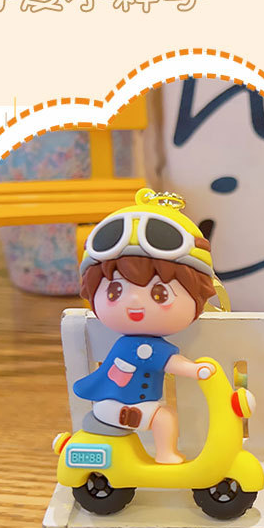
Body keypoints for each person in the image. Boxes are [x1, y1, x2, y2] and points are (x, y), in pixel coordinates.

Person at [74, 188, 216, 464]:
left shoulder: (132, 345)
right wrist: (195, 370)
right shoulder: (139, 347)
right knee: (165, 418)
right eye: (115, 291)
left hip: (122, 405)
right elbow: (172, 363)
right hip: (122, 409)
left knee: (164, 416)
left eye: (159, 294)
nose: (134, 302)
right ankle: (165, 454)